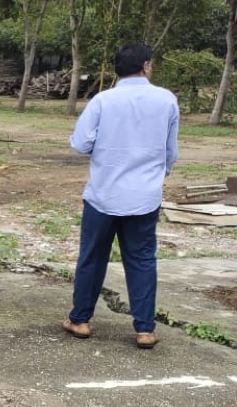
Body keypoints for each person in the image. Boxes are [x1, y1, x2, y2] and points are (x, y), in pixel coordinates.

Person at [63, 43, 179, 350]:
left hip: (103, 194)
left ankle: (80, 320)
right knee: (142, 260)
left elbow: (80, 143)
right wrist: (154, 176)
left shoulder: (103, 101)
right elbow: (170, 153)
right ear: (145, 66)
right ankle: (144, 330)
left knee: (92, 257)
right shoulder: (166, 100)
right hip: (144, 198)